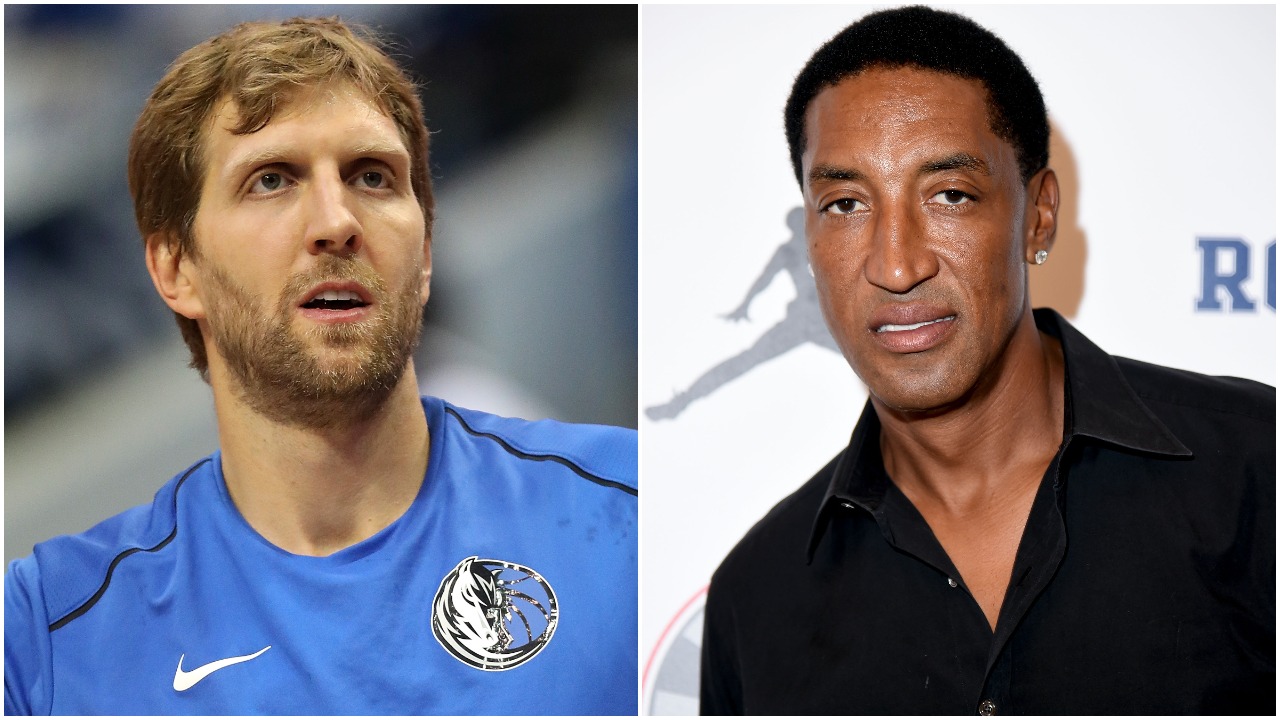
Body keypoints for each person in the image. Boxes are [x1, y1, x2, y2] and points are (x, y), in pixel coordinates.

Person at [4, 17, 637, 715]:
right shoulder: (47, 636)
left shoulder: (633, 509)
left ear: (425, 255)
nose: (336, 221)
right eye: (272, 180)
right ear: (176, 268)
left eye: (372, 176)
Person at [699, 6, 1274, 715]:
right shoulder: (757, 599)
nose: (897, 265)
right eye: (846, 204)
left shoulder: (1255, 468)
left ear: (1039, 215)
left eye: (950, 195)